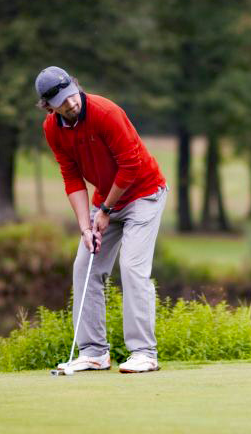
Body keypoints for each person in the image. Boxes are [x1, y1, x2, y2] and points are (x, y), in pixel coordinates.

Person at [36, 66, 167, 374]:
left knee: (133, 268)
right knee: (84, 266)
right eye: (61, 102)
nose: (70, 104)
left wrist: (105, 212)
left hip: (144, 194)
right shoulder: (52, 129)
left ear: (75, 86)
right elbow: (71, 178)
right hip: (106, 201)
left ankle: (144, 353)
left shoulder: (105, 112)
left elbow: (131, 165)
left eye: (71, 96)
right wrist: (85, 226)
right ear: (48, 106)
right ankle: (94, 352)